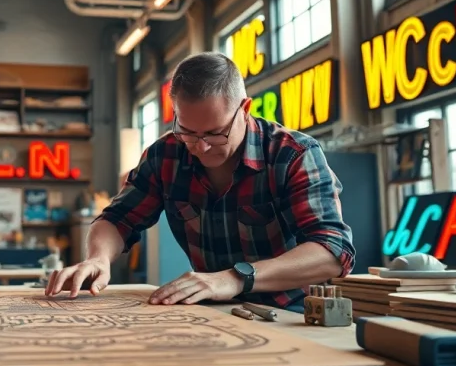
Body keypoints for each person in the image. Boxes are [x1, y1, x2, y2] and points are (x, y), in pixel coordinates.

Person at [45, 52, 354, 311]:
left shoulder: (293, 155)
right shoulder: (166, 154)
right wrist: (99, 258)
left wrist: (234, 278)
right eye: (188, 131)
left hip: (290, 314)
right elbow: (117, 219)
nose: (201, 146)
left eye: (215, 133)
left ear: (245, 110)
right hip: (212, 314)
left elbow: (332, 252)